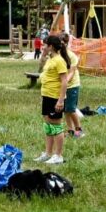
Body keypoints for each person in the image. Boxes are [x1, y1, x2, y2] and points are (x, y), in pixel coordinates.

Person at [33, 35, 70, 165]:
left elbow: (64, 81)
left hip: (55, 98)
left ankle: (58, 155)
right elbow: (42, 68)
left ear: (51, 46)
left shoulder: (59, 61)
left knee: (56, 127)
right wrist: (43, 55)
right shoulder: (50, 59)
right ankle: (48, 153)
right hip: (47, 96)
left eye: (45, 45)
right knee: (48, 125)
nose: (43, 47)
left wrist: (60, 101)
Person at [59, 32, 84, 138]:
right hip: (63, 85)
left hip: (72, 85)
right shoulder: (58, 56)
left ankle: (79, 130)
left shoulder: (72, 56)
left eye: (62, 43)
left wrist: (64, 82)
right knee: (65, 110)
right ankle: (70, 130)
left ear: (66, 43)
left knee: (71, 109)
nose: (61, 46)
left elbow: (71, 72)